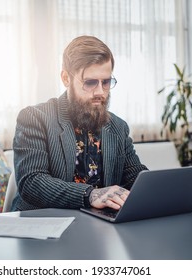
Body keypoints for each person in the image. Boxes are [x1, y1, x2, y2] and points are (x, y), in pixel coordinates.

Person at [10, 35, 148, 211]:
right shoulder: (34, 118)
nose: (100, 92)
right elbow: (32, 182)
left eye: (106, 82)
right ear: (66, 78)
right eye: (90, 83)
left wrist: (157, 188)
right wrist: (89, 194)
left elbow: (133, 176)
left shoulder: (118, 127)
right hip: (42, 224)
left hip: (99, 227)